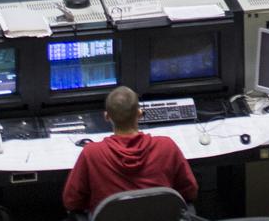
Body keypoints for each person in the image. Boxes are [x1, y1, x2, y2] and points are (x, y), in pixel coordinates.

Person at [62, 85, 198, 217]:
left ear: (107, 116)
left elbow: (72, 202)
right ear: (139, 113)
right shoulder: (167, 146)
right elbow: (190, 192)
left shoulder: (91, 153)